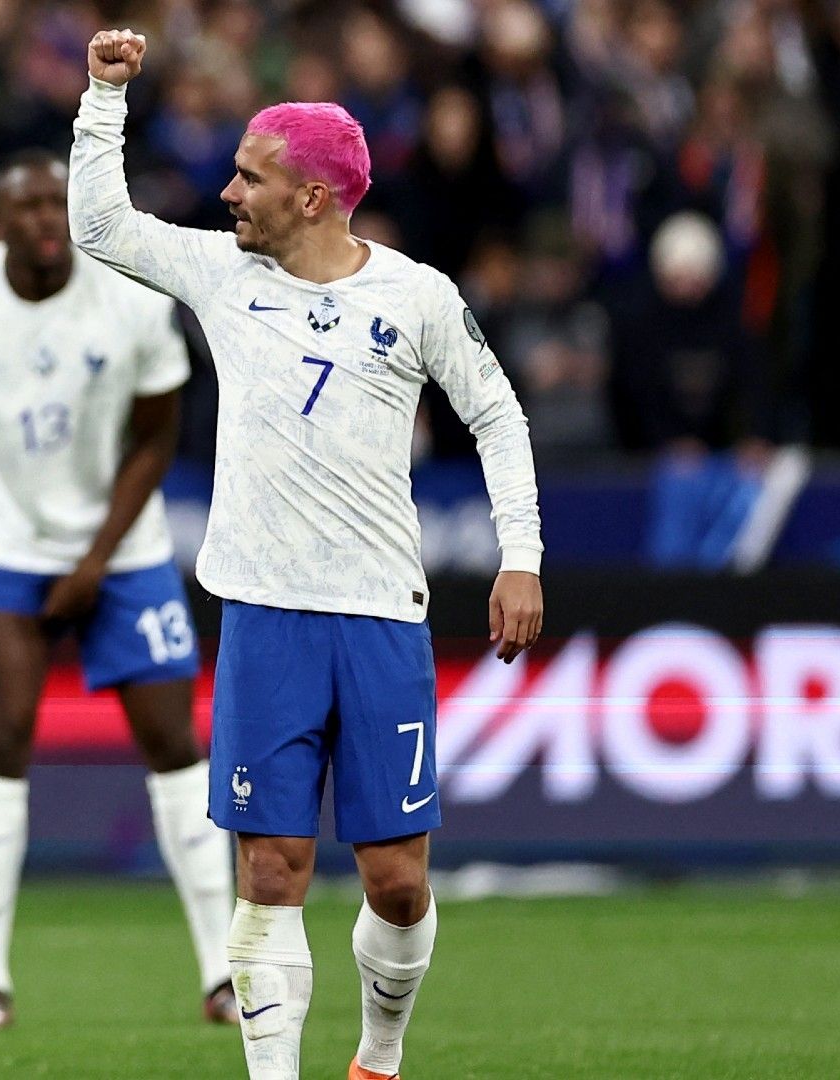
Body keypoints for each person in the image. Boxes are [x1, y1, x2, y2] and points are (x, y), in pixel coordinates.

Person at [70, 30, 546, 1080]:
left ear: (314, 199)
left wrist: (522, 556)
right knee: (272, 868)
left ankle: (379, 1053)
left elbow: (498, 415)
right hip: (264, 614)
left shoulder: (415, 297)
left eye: (251, 176)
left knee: (397, 884)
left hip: (381, 616)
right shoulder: (220, 275)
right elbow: (100, 224)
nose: (229, 192)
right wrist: (105, 97)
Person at [0, 148, 239, 1035]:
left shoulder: (132, 298)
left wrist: (97, 557)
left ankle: (223, 974)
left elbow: (158, 437)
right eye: (23, 206)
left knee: (173, 740)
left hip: (125, 547)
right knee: (2, 734)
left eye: (53, 205)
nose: (42, 220)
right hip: (6, 539)